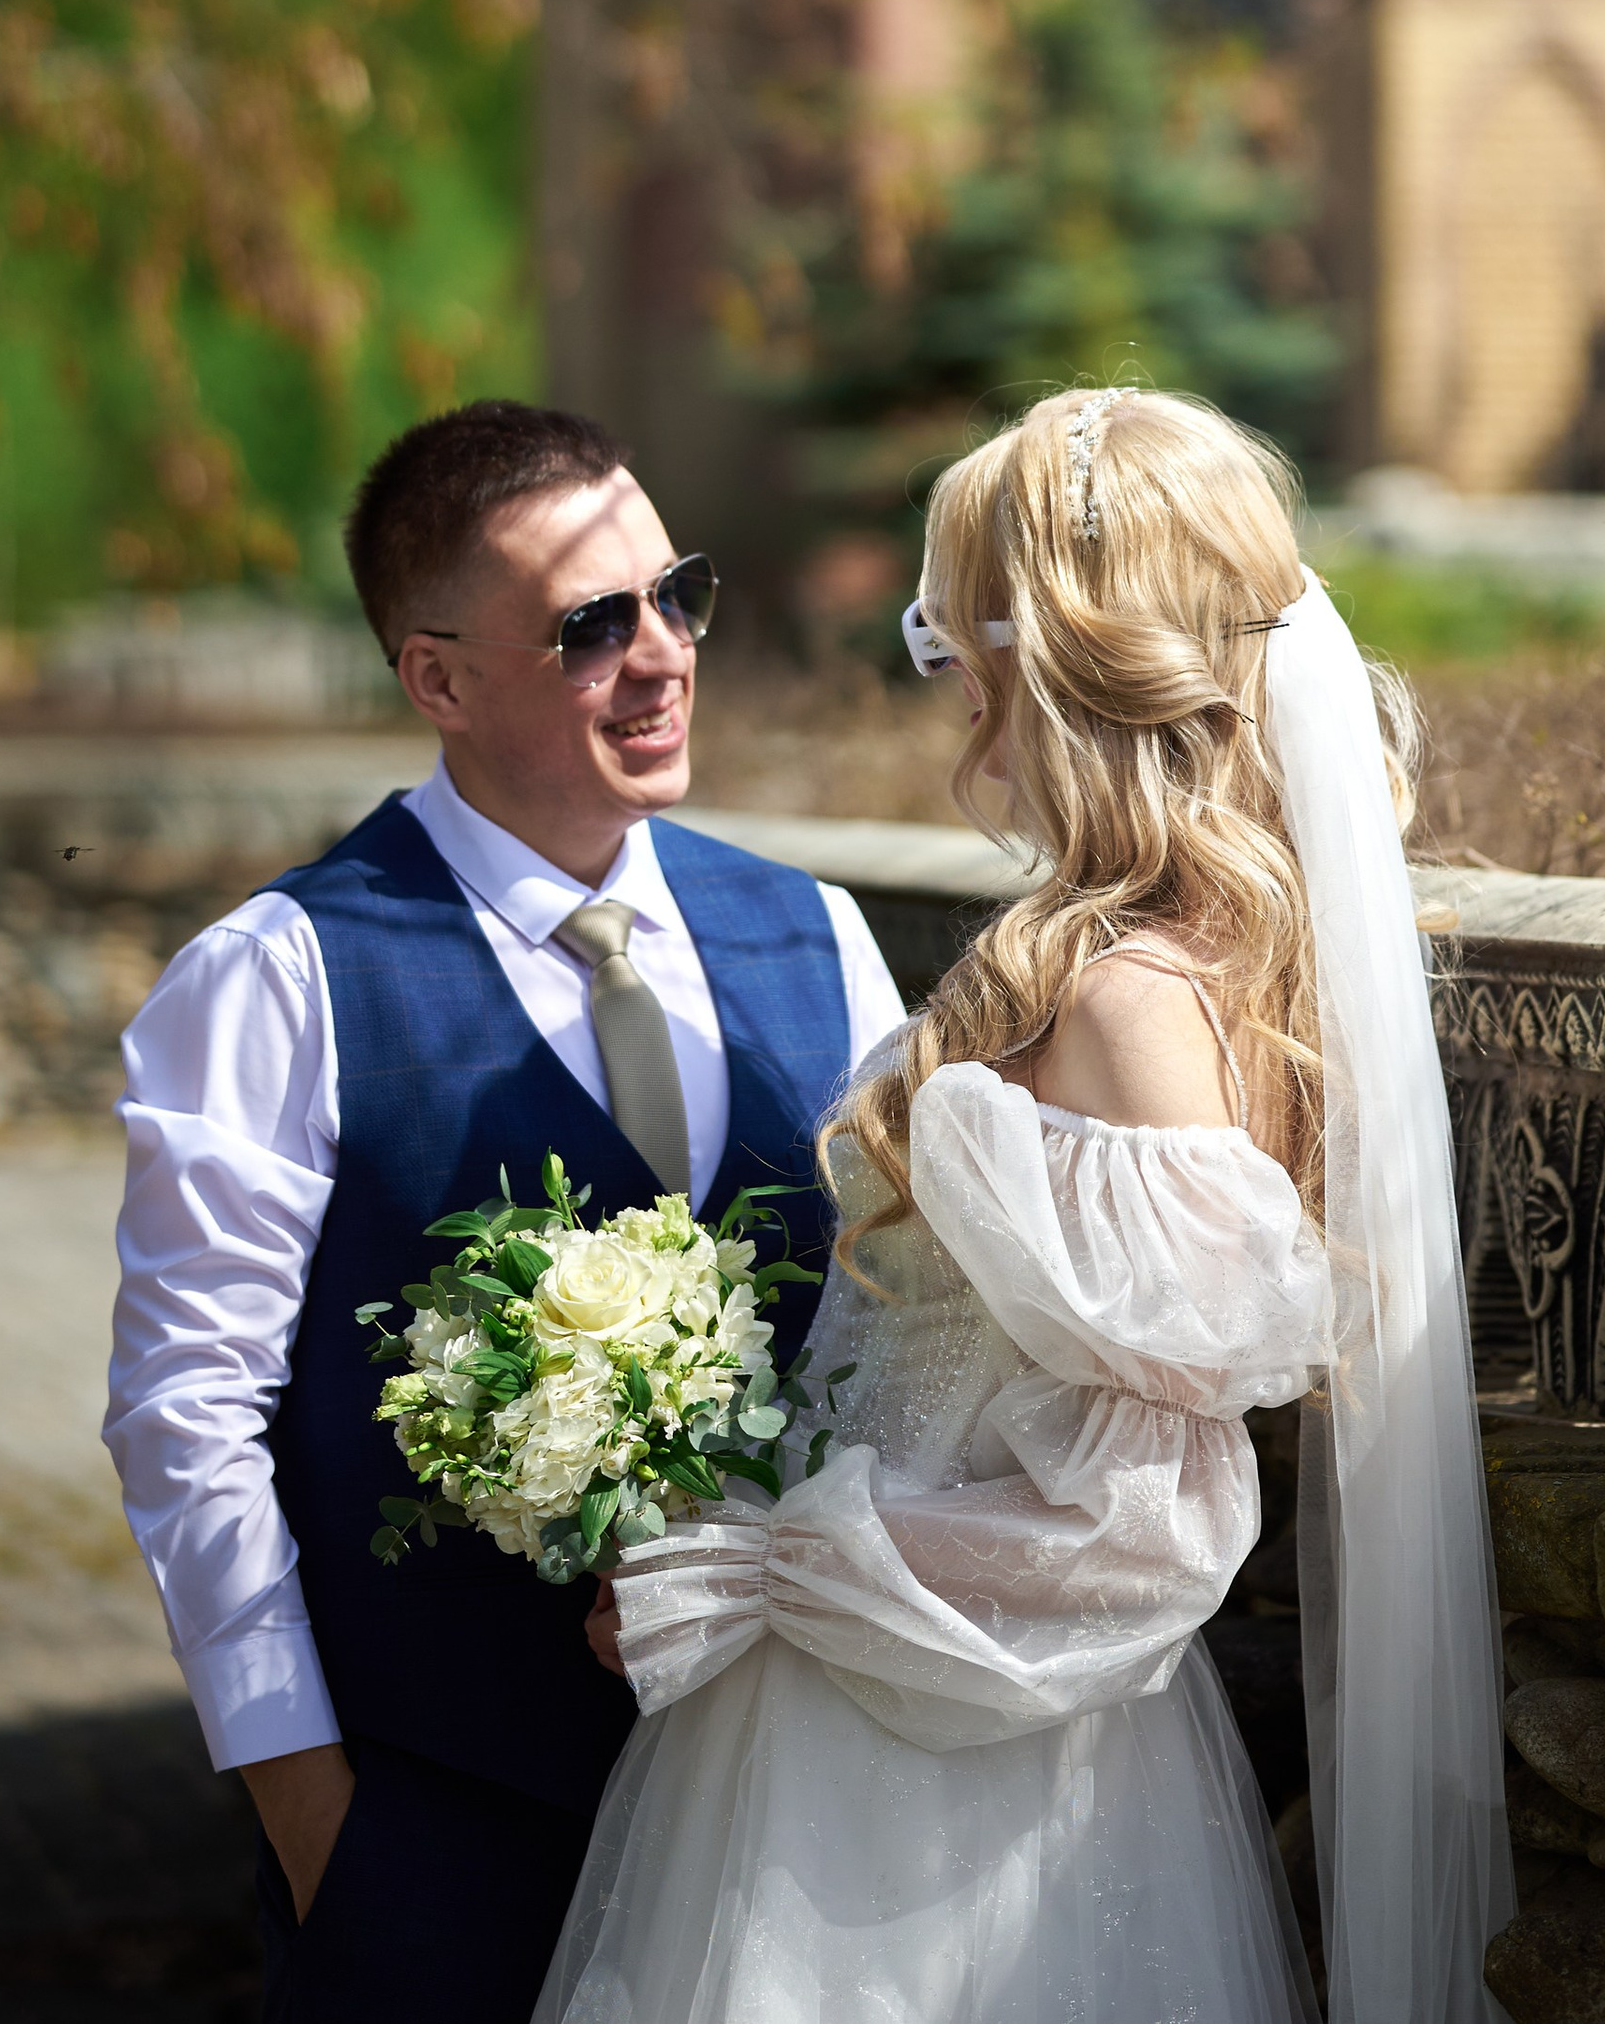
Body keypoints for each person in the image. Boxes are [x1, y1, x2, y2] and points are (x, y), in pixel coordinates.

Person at [539, 384, 1512, 2024]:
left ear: (1058, 659)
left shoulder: (1135, 1000)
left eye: (956, 629)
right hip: (884, 1705)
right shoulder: (1184, 961)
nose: (944, 677)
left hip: (945, 1780)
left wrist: (765, 1570)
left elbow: (1150, 1529)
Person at [101, 399, 906, 2023]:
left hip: (794, 1822)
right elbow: (187, 1421)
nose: (662, 654)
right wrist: (320, 1828)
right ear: (441, 680)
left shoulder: (813, 935)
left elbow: (898, 1341)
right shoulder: (279, 977)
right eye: (591, 624)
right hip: (444, 1836)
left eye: (677, 593)